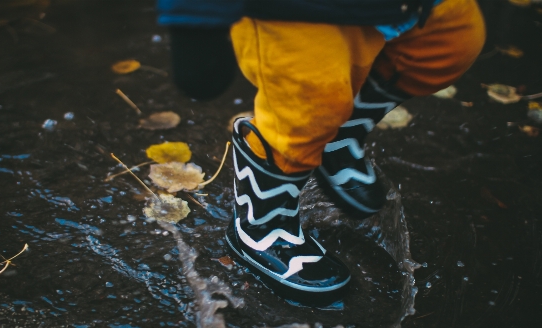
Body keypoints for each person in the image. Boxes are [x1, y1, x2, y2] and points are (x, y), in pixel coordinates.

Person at [157, 0, 485, 305]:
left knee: (451, 45)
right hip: (298, 12)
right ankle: (260, 227)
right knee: (308, 109)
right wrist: (195, 16)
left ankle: (337, 135)